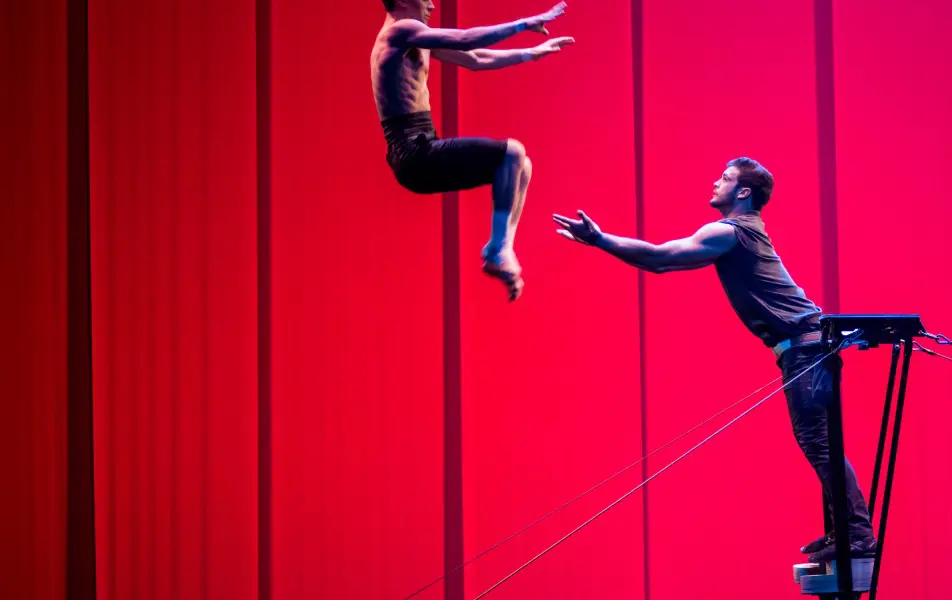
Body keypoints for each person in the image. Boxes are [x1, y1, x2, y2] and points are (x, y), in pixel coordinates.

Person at [551, 157, 878, 562]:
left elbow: (661, 258)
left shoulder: (731, 231)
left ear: (743, 192)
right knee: (822, 443)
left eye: (724, 178)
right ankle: (846, 533)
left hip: (805, 347)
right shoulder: (742, 232)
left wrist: (601, 239)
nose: (714, 182)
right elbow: (660, 261)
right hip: (810, 346)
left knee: (820, 444)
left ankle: (856, 534)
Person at [373, 0, 575, 301]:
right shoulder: (400, 31)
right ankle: (496, 249)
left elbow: (475, 57)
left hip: (420, 150)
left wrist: (529, 54)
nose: (431, 3)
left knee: (522, 165)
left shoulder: (415, 36)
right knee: (511, 153)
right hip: (412, 153)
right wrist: (522, 23)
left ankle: (501, 248)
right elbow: (468, 38)